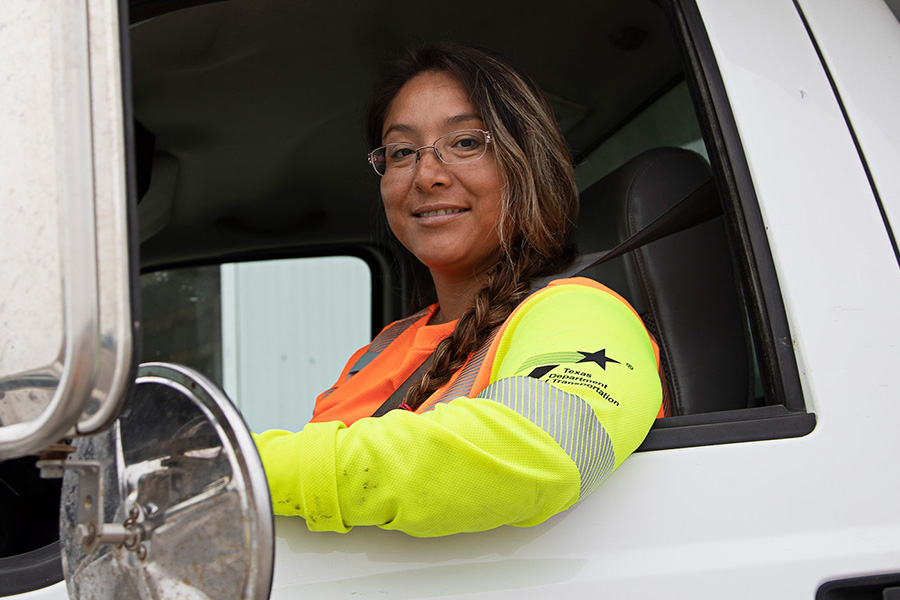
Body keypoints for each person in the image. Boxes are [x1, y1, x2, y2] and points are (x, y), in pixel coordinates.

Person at [254, 42, 663, 537]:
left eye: (465, 142)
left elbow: (537, 452)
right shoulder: (379, 350)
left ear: (527, 163)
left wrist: (240, 468)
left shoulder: (579, 314)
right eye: (402, 152)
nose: (425, 175)